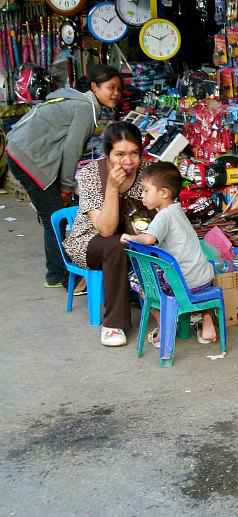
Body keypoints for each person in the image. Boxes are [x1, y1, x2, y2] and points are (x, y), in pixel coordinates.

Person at [6, 64, 123, 289]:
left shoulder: (78, 101)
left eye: (119, 88)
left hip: (20, 151)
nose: (116, 93)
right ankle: (59, 276)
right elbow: (72, 150)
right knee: (56, 217)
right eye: (111, 87)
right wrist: (68, 186)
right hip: (28, 158)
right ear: (94, 87)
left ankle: (59, 271)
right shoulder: (85, 109)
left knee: (53, 213)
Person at [64, 121, 150, 347]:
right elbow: (105, 229)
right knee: (115, 244)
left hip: (132, 238)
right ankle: (114, 324)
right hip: (89, 241)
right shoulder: (91, 174)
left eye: (134, 153)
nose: (128, 161)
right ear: (107, 153)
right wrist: (112, 188)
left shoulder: (147, 173)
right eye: (119, 154)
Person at [120, 162, 218, 345]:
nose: (142, 195)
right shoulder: (178, 210)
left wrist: (131, 237)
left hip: (184, 282)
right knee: (178, 270)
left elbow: (149, 240)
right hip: (204, 278)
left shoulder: (163, 216)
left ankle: (164, 324)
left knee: (138, 281)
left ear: (163, 193)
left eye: (146, 190)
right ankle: (207, 324)